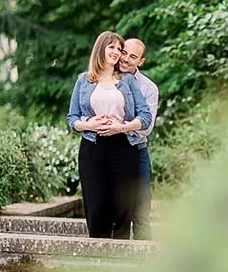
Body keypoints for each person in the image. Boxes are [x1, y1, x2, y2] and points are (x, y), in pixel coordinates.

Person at [66, 30, 153, 239]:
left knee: (123, 208)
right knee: (96, 207)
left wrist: (122, 127)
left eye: (119, 49)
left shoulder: (127, 81)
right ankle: (98, 258)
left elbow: (146, 116)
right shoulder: (83, 80)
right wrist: (89, 123)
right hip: (92, 148)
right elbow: (72, 119)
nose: (116, 53)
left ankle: (120, 262)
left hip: (123, 148)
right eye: (112, 47)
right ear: (100, 49)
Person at [118, 37, 159, 240]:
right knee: (118, 213)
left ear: (140, 61)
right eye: (124, 52)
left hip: (137, 151)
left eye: (132, 56)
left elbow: (146, 127)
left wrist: (119, 128)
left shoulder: (148, 88)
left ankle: (147, 265)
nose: (125, 59)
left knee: (141, 211)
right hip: (111, 153)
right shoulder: (106, 79)